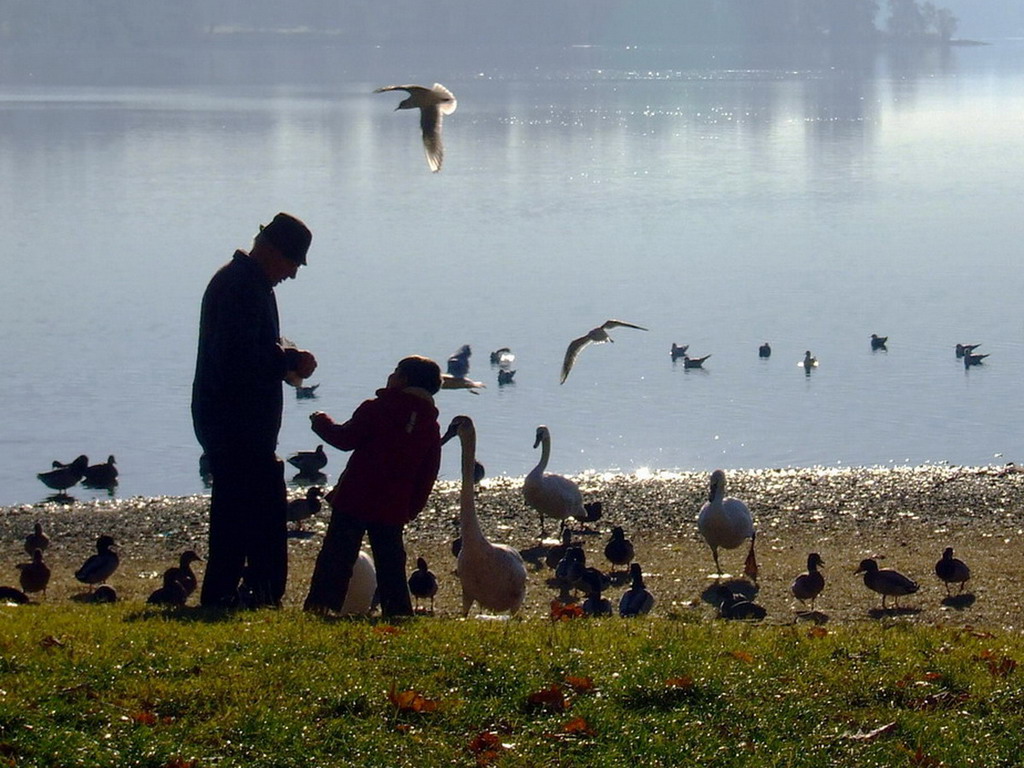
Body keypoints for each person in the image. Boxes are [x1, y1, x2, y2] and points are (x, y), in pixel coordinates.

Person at [191, 212, 317, 608]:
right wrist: (288, 362)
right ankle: (252, 592)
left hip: (232, 418)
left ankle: (234, 592)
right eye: (293, 263)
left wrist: (285, 357)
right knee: (252, 507)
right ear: (273, 251)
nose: (293, 274)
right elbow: (239, 356)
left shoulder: (249, 283)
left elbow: (251, 347)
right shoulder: (241, 287)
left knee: (241, 504)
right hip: (234, 419)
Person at [303, 356, 443, 616]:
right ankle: (398, 610)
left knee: (337, 557)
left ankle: (322, 606)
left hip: (355, 497)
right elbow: (428, 473)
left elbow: (345, 439)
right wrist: (412, 508)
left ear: (403, 379)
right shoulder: (430, 427)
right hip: (394, 505)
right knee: (391, 562)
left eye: (395, 372)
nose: (390, 376)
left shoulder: (377, 408)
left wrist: (320, 421)